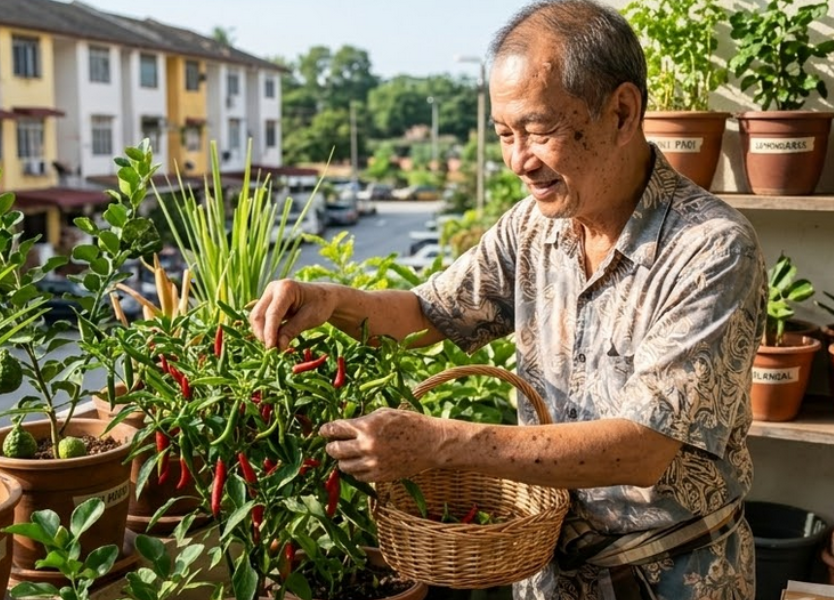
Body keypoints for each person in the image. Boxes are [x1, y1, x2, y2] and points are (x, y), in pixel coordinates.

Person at [250, 1, 767, 598]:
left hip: (669, 579)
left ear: (622, 112)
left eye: (540, 131)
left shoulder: (711, 248)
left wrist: (440, 442)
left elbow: (642, 448)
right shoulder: (533, 228)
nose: (520, 160)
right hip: (544, 572)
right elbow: (428, 314)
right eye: (504, 134)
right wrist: (328, 299)